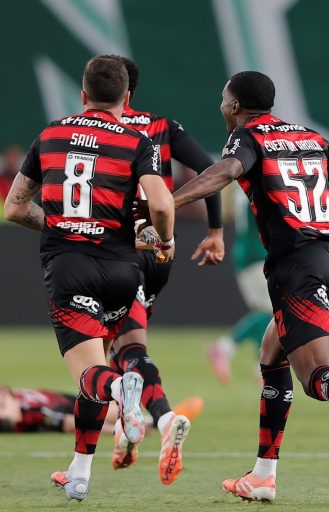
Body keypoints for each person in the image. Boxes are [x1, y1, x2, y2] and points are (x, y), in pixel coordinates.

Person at [168, 71, 329, 503]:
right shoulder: (312, 137)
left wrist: (168, 201)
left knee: (314, 375)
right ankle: (263, 474)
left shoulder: (247, 136)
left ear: (236, 106)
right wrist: (325, 239)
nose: (222, 106)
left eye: (224, 100)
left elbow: (225, 171)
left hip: (298, 267)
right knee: (270, 353)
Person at [3, 55, 175, 501]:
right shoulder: (139, 140)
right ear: (127, 98)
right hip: (122, 270)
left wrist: (61, 225)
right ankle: (79, 473)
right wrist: (165, 240)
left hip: (70, 268)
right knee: (115, 356)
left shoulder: (50, 134)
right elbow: (161, 203)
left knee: (93, 376)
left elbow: (15, 208)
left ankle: (124, 386)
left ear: (83, 96)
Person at [104, 56, 224, 485]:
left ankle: (164, 417)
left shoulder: (93, 130)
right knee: (124, 345)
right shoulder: (161, 126)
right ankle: (125, 431)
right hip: (160, 249)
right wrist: (214, 230)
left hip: (113, 249)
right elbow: (210, 170)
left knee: (123, 347)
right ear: (130, 91)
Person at [207, 189, 271, 384]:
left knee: (265, 314)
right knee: (271, 312)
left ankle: (261, 367)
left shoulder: (240, 190)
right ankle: (225, 347)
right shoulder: (256, 188)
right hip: (256, 254)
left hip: (247, 252)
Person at [0, 385, 204, 434]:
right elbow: (69, 423)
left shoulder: (16, 398)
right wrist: (115, 432)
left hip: (67, 399)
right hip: (70, 407)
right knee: (112, 411)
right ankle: (158, 422)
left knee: (117, 407)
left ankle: (156, 419)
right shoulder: (32, 414)